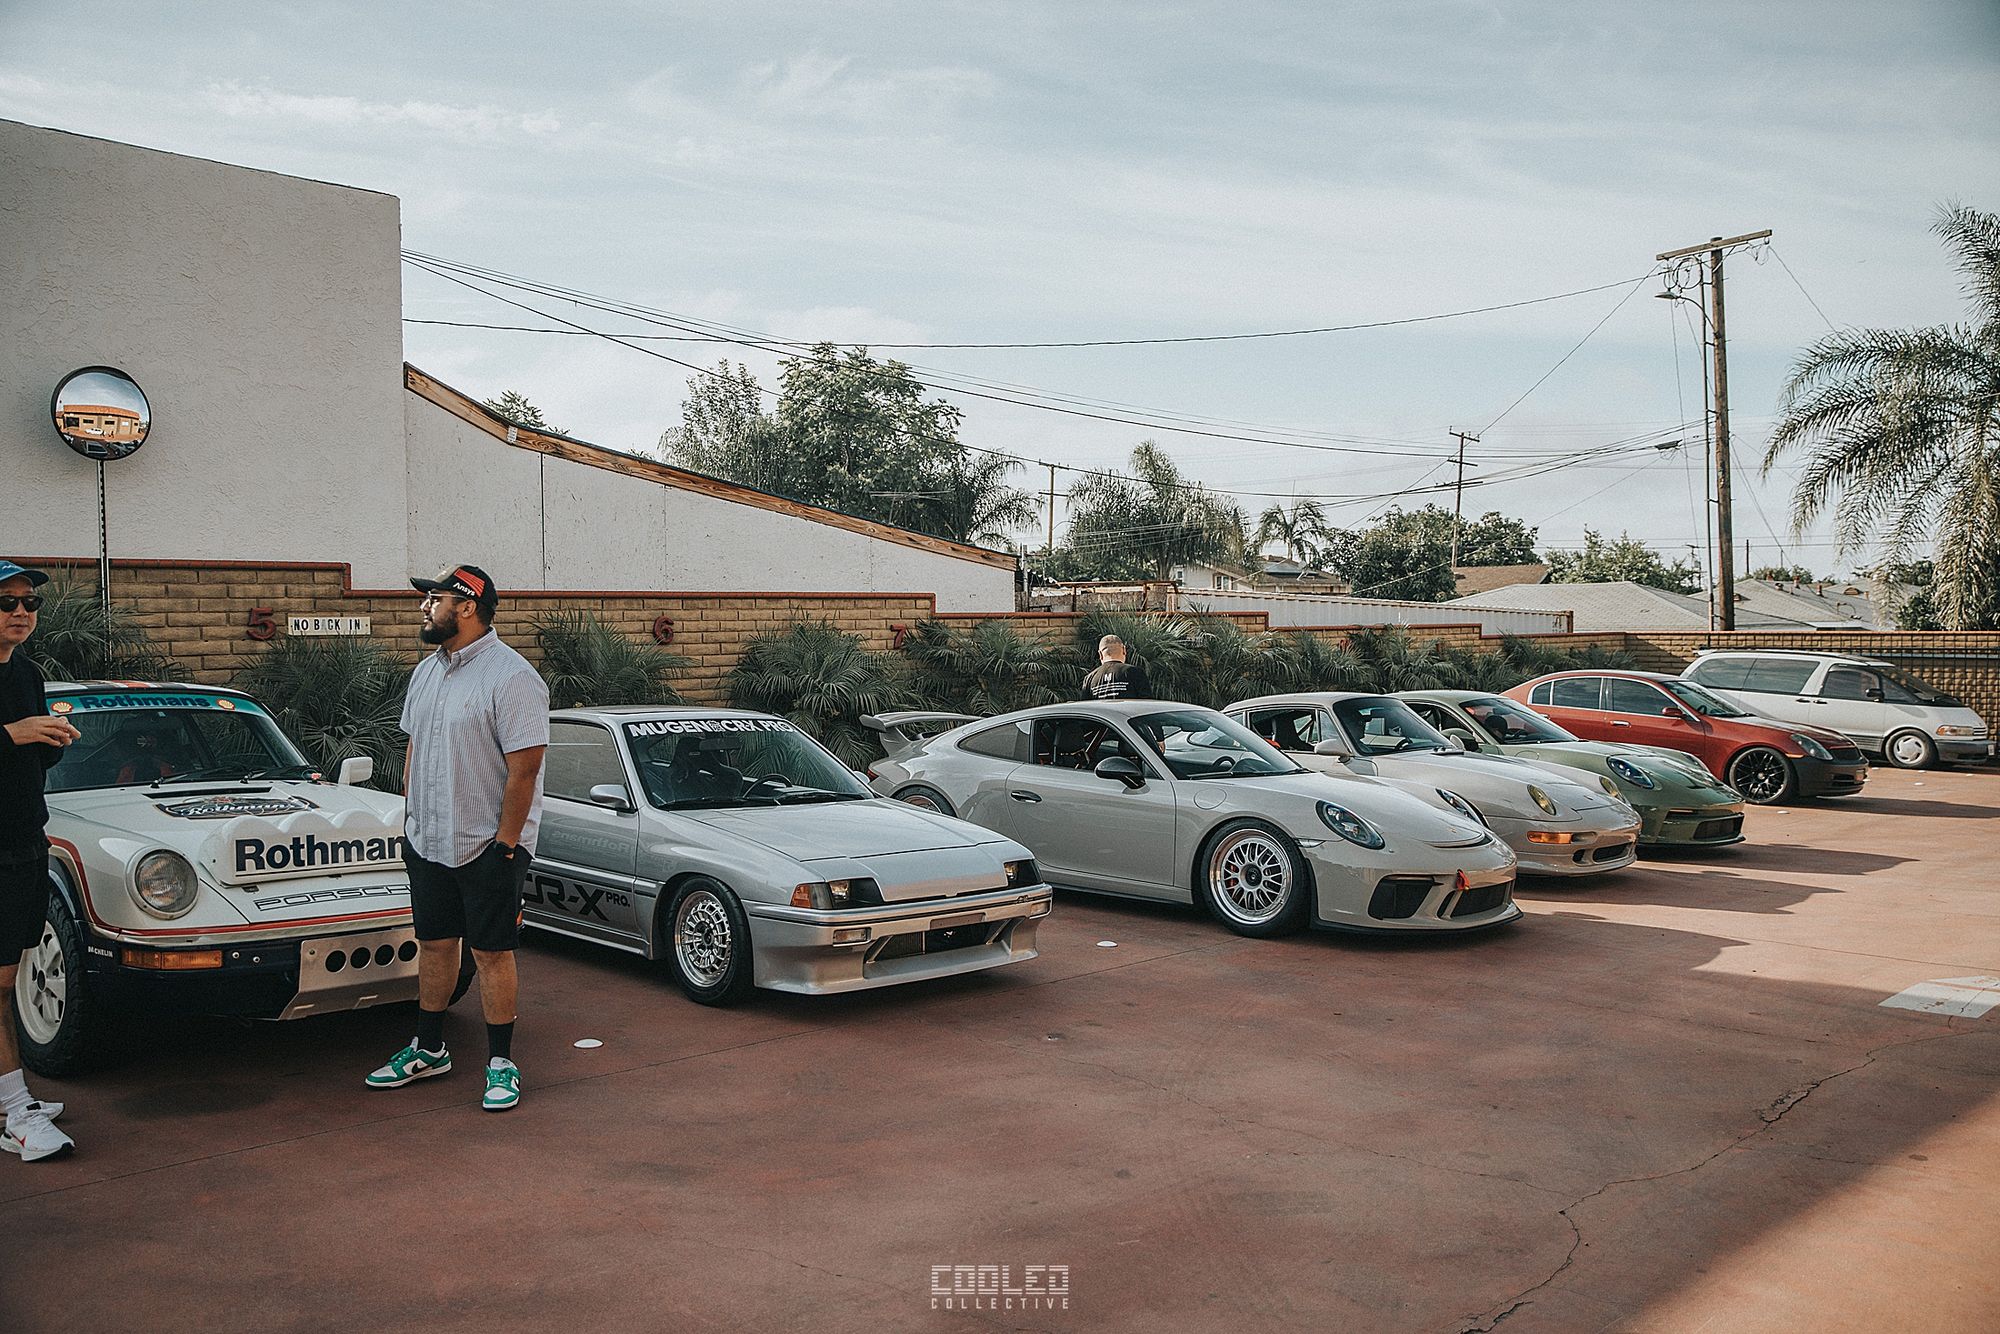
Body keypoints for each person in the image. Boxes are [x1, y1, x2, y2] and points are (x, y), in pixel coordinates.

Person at [366, 565, 547, 1113]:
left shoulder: (512, 677)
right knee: (436, 945)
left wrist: (505, 846)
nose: (425, 607)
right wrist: (411, 823)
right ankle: (429, 1049)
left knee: (491, 953)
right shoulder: (425, 673)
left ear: (467, 606)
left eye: (435, 598)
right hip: (428, 841)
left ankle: (501, 1063)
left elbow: (524, 772)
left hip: (487, 845)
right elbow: (414, 749)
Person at [0, 560, 80, 1162]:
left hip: (26, 840)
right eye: (7, 602)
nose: (21, 612)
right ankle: (15, 1111)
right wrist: (15, 733)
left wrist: (51, 737)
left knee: (8, 975)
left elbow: (30, 760)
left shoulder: (26, 672)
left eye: (30, 603)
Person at [1081, 634, 1152, 701]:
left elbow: (1085, 707)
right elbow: (1147, 703)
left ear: (1100, 654)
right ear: (1124, 650)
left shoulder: (1089, 679)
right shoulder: (1136, 673)